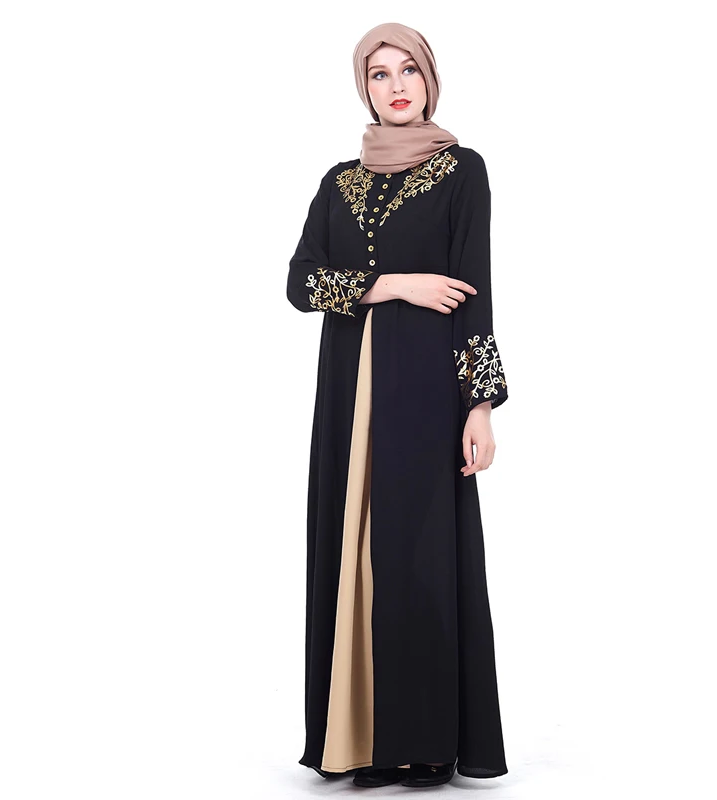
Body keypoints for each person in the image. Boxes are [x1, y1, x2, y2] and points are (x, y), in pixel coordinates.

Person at [286, 22, 509, 789]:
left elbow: (476, 292)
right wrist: (394, 285)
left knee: (420, 557)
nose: (396, 85)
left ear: (429, 78)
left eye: (408, 69)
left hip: (426, 395)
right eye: (379, 74)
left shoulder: (462, 171)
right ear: (365, 88)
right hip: (349, 398)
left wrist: (481, 404)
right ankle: (360, 742)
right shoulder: (337, 183)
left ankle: (425, 741)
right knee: (353, 553)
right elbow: (302, 283)